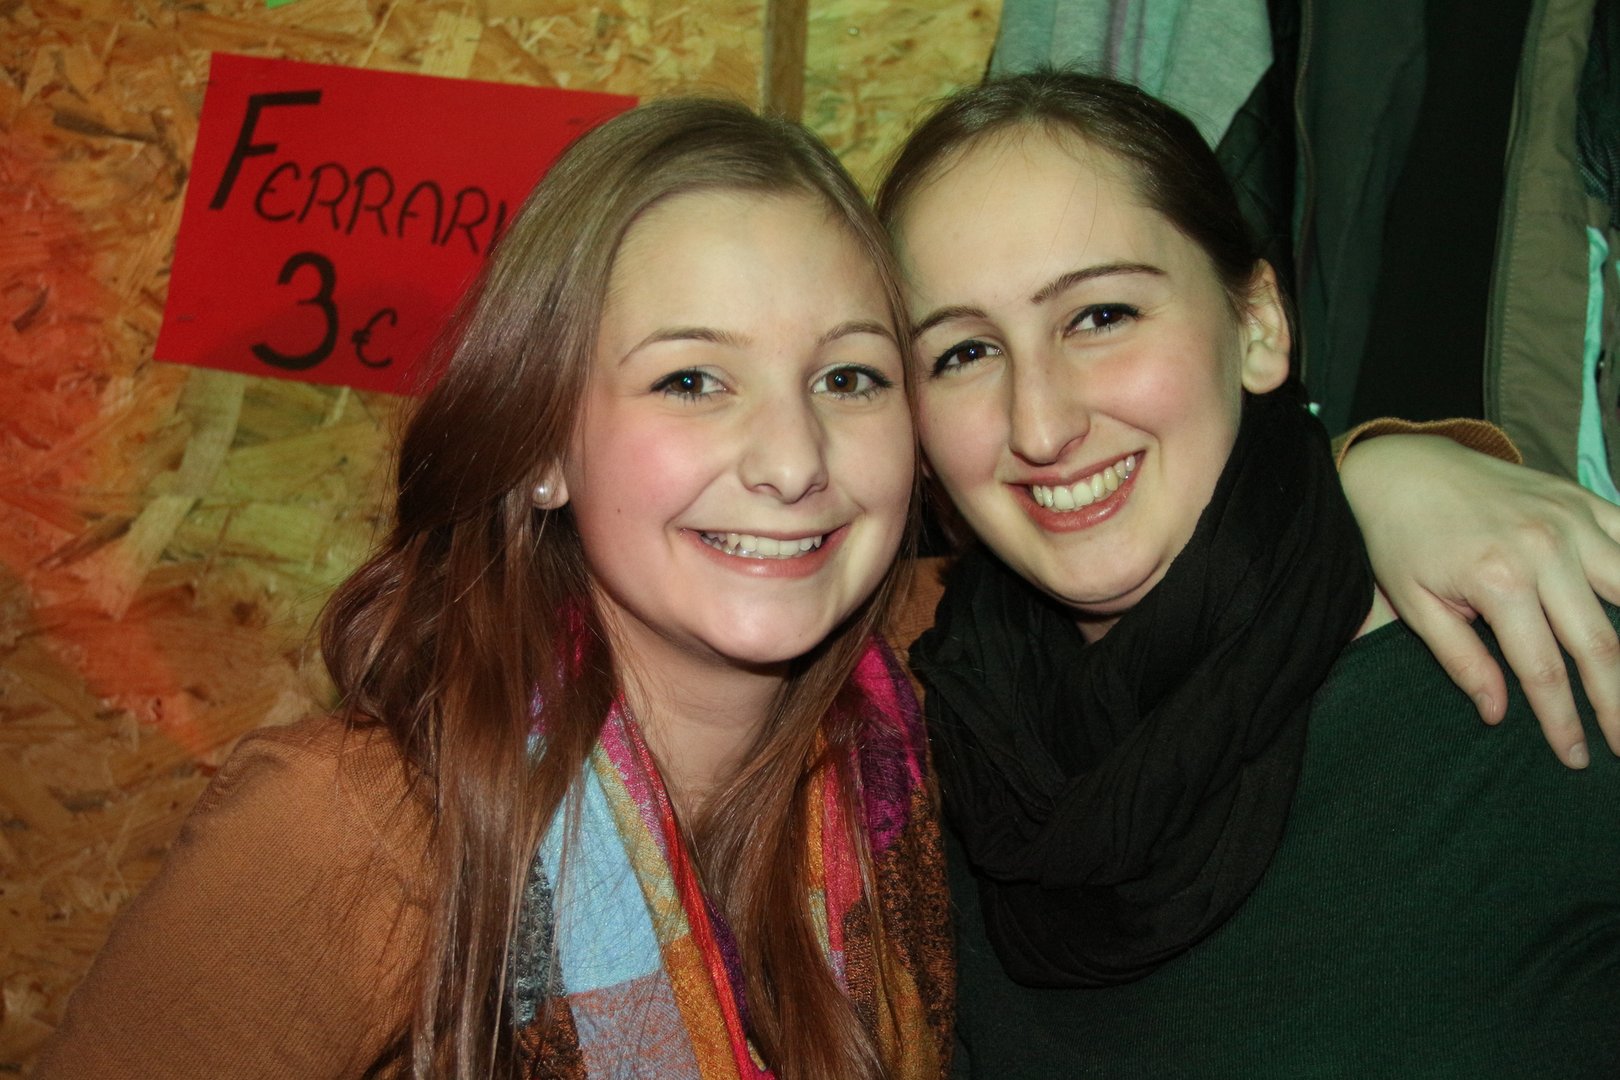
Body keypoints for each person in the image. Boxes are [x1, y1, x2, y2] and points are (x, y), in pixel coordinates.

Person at [32, 98, 951, 1080]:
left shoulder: (935, 719)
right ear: (541, 446)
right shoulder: (348, 831)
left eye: (849, 377)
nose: (793, 460)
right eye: (691, 380)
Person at [877, 71, 1620, 1076]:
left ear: (1258, 326)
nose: (1041, 424)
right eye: (964, 353)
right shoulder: (927, 763)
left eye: (1101, 315)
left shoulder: (1539, 668)